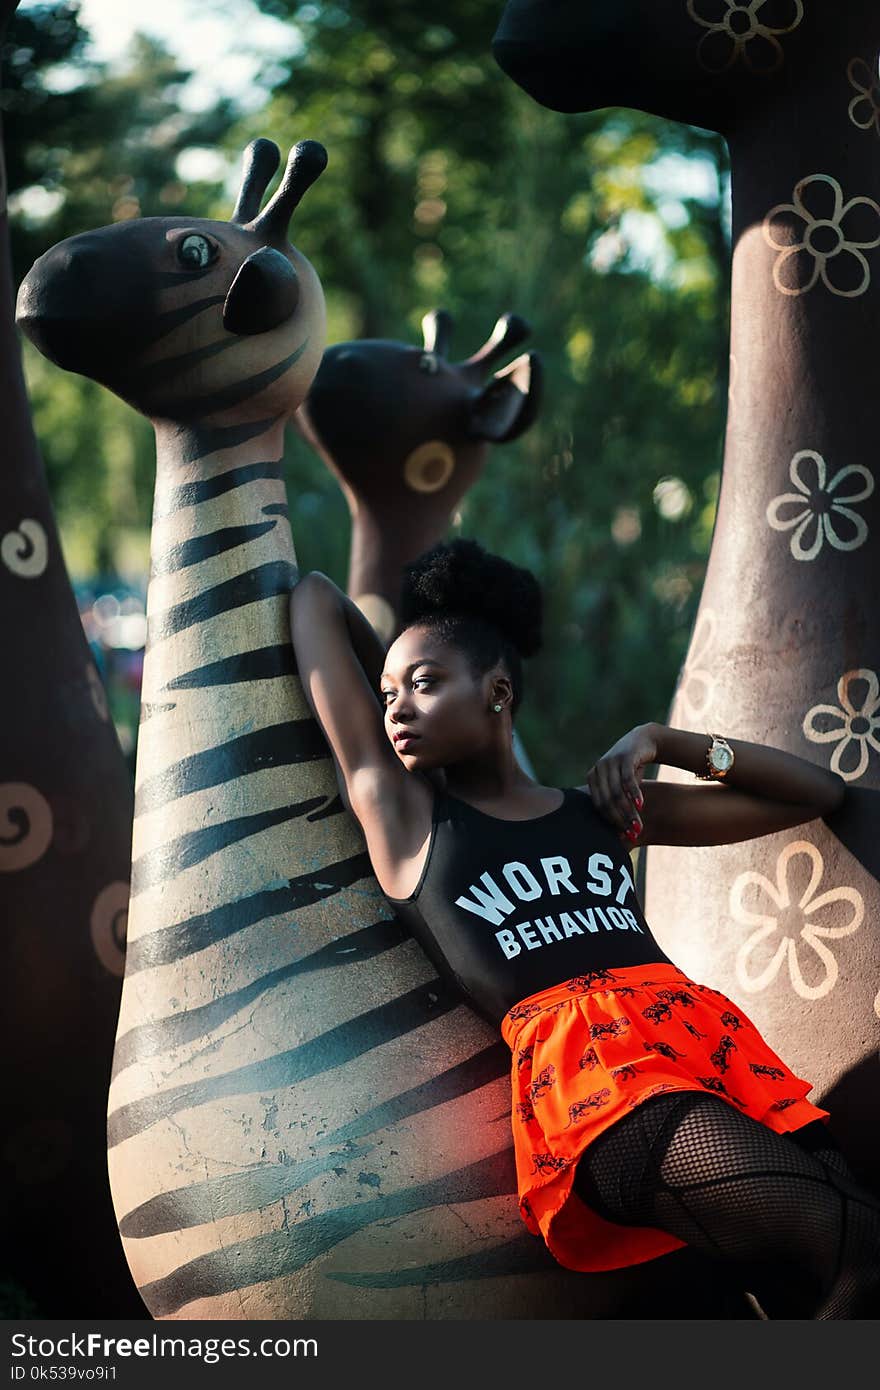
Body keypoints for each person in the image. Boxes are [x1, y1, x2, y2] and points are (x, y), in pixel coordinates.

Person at [288, 537, 880, 1318]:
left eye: (425, 685)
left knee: (814, 1285)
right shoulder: (409, 819)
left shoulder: (598, 815)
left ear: (498, 691)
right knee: (865, 1249)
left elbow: (816, 791)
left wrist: (661, 741)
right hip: (604, 1094)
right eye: (389, 693)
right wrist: (402, 656)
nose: (396, 708)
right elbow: (316, 599)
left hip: (714, 1058)